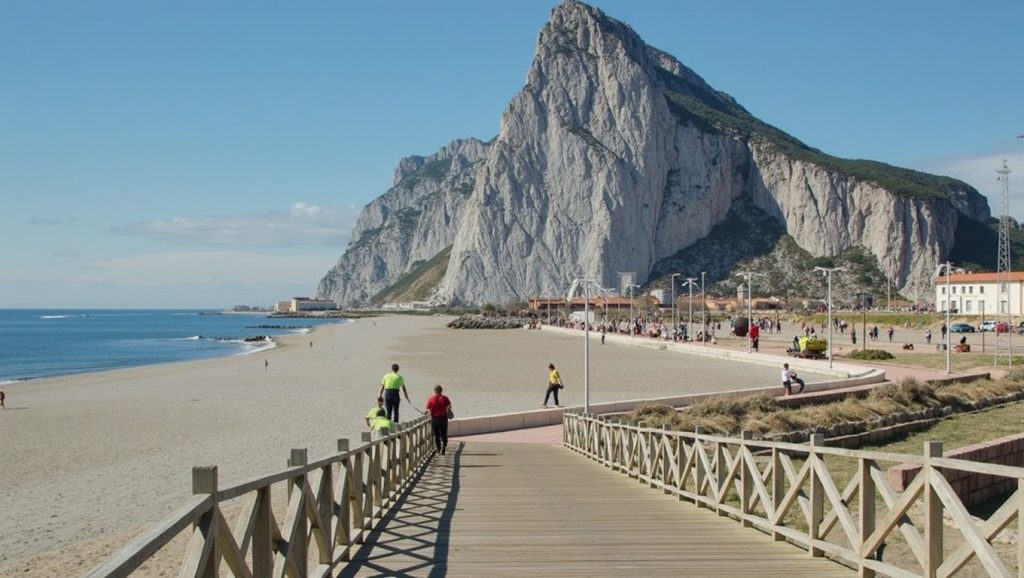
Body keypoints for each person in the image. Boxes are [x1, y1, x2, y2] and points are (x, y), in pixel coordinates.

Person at [426, 385, 453, 454]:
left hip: (435, 419)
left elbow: (428, 409)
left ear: (435, 391)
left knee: (436, 435)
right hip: (443, 418)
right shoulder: (445, 398)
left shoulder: (430, 399)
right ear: (441, 391)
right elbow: (449, 406)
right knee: (444, 434)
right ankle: (444, 447)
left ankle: (438, 449)